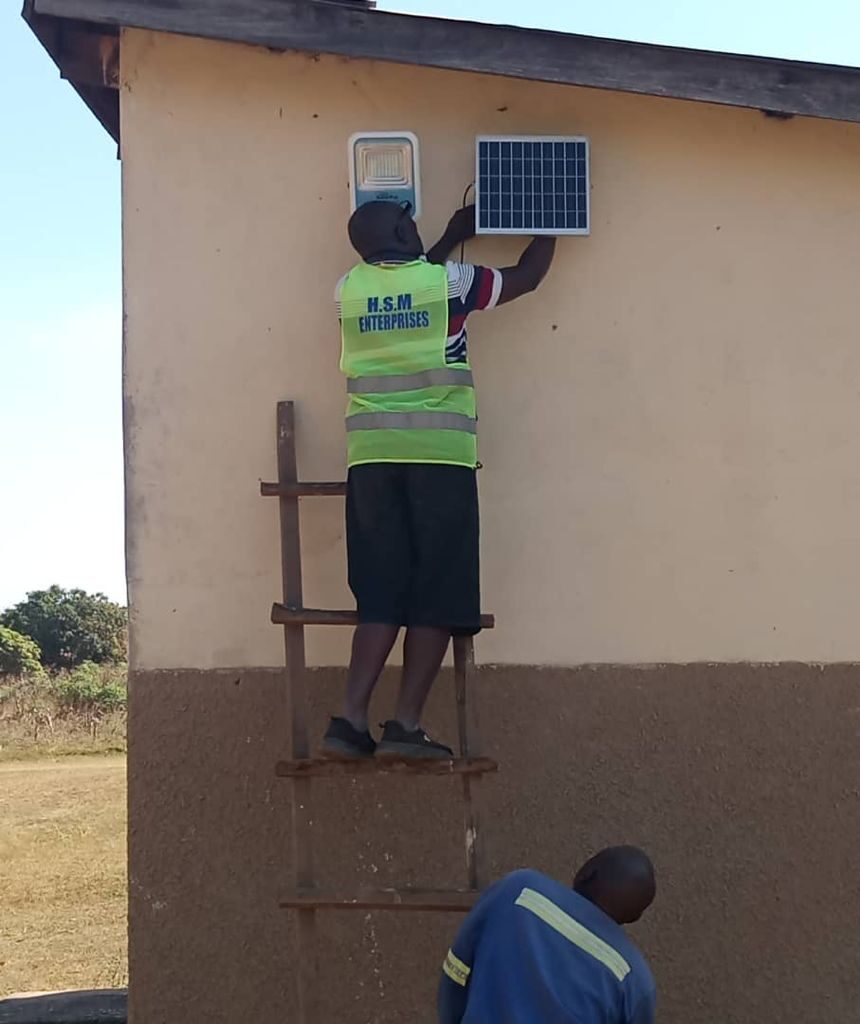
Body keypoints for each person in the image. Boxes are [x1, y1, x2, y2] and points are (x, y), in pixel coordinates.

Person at [322, 200, 556, 760]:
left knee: (380, 592)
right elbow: (525, 279)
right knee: (439, 593)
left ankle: (349, 721)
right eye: (412, 221)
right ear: (404, 229)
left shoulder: (347, 289)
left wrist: (452, 232)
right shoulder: (448, 282)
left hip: (371, 460)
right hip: (438, 458)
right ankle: (404, 725)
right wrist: (552, 220)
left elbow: (415, 284)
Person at [438, 846, 657, 1023]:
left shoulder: (520, 890)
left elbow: (457, 970)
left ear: (585, 873)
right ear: (633, 918)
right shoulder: (634, 980)